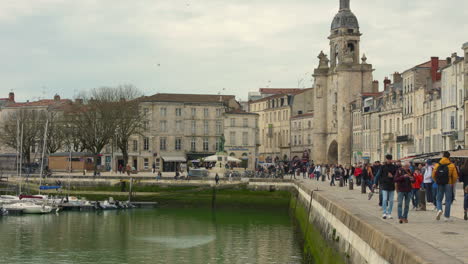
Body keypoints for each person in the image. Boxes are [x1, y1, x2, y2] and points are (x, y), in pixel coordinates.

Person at [432, 151, 459, 221]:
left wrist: (436, 181)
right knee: (448, 200)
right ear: (449, 157)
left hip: (440, 183)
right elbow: (455, 176)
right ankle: (446, 217)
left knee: (439, 199)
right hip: (448, 183)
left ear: (443, 156)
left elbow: (433, 175)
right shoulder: (451, 165)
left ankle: (439, 209)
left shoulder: (437, 165)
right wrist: (452, 182)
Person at [375, 154, 397, 219]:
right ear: (386, 159)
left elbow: (396, 177)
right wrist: (375, 183)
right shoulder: (382, 167)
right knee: (384, 199)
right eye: (388, 159)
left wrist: (392, 176)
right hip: (384, 185)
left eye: (390, 159)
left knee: (391, 200)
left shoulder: (394, 167)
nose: (389, 160)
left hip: (391, 185)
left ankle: (389, 213)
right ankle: (384, 213)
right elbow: (378, 175)